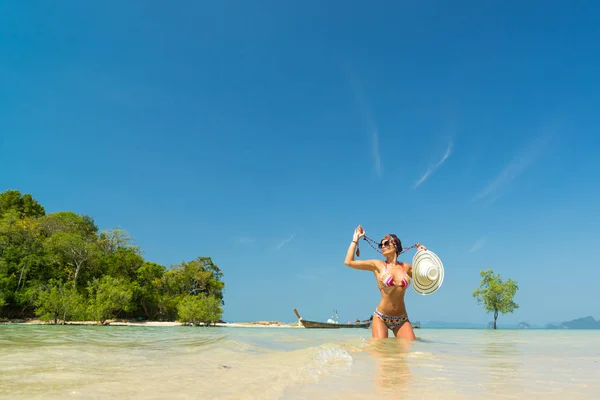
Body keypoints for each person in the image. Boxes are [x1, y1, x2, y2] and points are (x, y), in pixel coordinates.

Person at [344, 225, 426, 340]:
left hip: (401, 319)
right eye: (380, 245)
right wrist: (355, 239)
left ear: (395, 245)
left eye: (386, 243)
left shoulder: (406, 267)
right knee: (381, 352)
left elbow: (425, 278)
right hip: (381, 317)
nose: (383, 246)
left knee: (409, 352)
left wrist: (422, 255)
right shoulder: (377, 265)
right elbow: (349, 262)